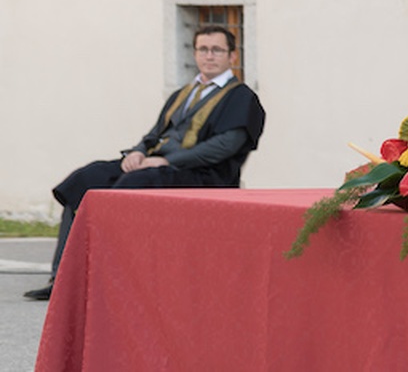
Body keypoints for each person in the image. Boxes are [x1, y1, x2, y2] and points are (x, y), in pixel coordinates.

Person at [25, 24, 266, 301]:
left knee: (132, 184)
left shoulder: (242, 98)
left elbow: (223, 147)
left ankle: (104, 278)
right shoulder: (183, 94)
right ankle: (62, 279)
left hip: (203, 176)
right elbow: (155, 134)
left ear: (232, 57)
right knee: (86, 179)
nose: (209, 56)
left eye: (217, 50)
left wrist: (165, 160)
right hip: (159, 165)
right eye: (202, 49)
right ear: (195, 53)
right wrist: (138, 153)